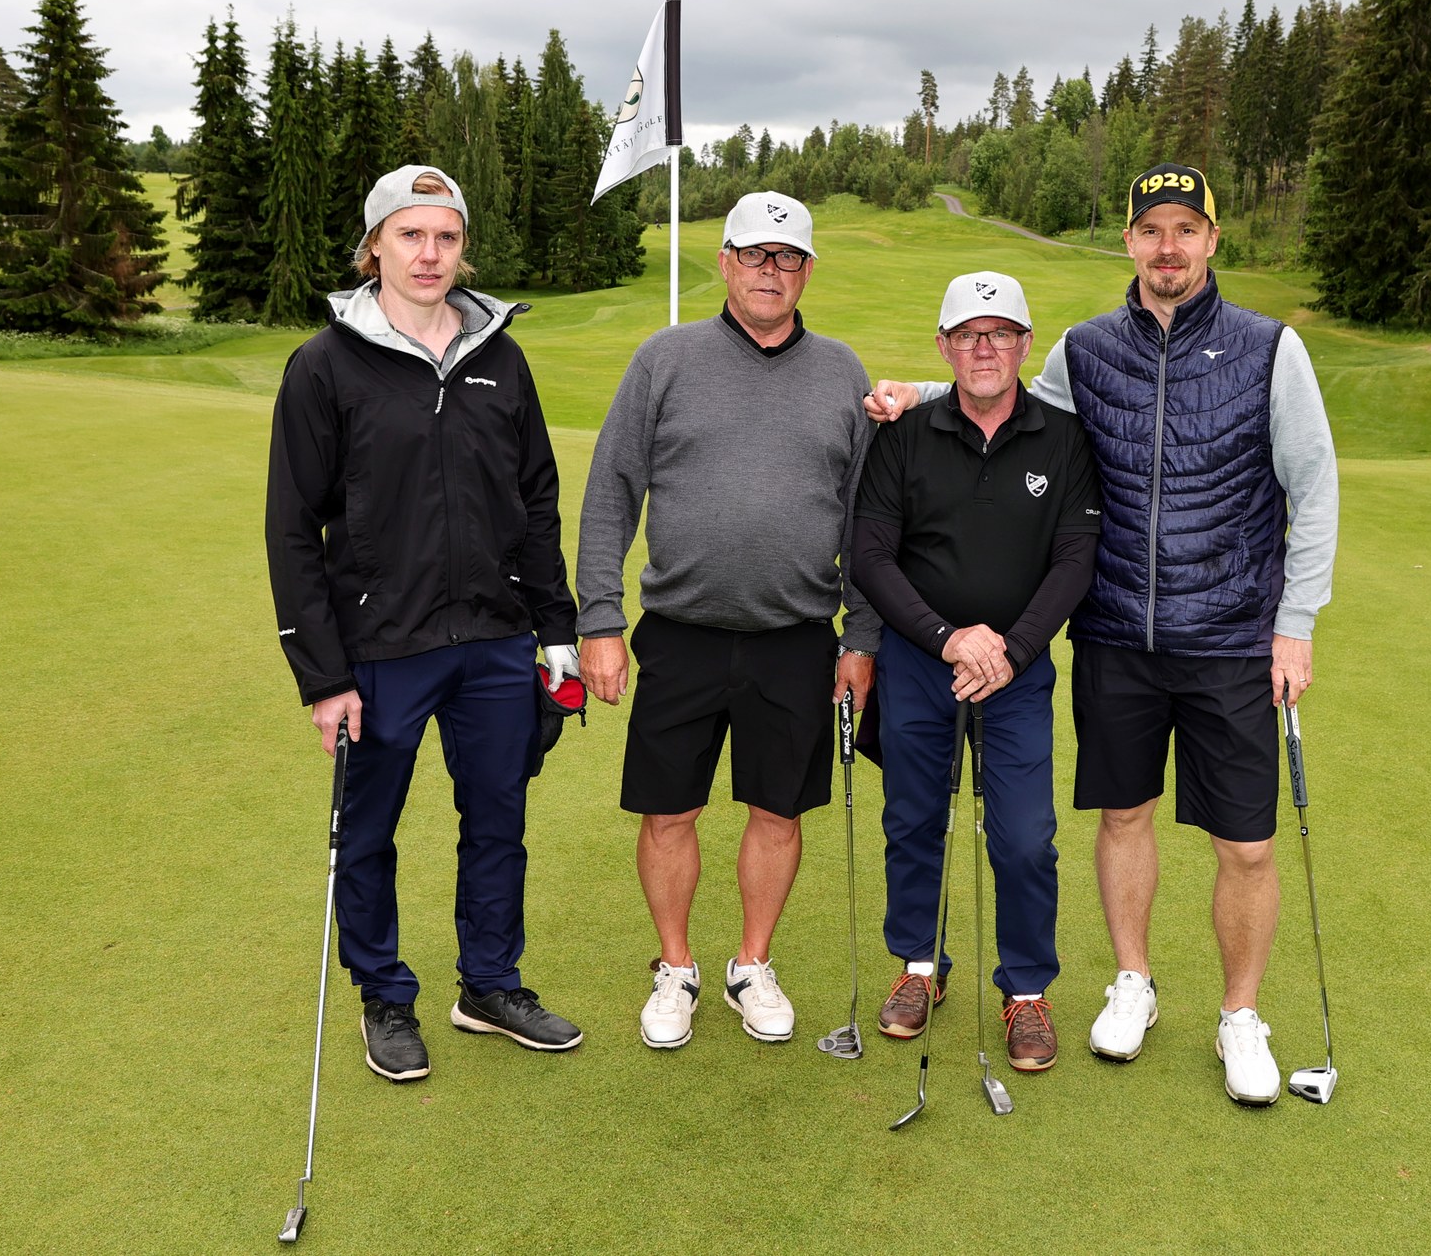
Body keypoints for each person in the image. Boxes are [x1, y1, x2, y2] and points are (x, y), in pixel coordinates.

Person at [866, 163, 1338, 1104]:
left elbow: (1314, 484)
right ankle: (1133, 982)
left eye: (1186, 229)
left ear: (1212, 240)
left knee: (1246, 844)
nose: (1169, 247)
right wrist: (914, 392)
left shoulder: (1270, 347)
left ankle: (1241, 1014)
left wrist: (1295, 625)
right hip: (1118, 632)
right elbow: (1000, 395)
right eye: (1152, 229)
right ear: (1128, 241)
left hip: (1231, 635)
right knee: (1124, 817)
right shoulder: (1086, 350)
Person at [266, 164, 586, 1083]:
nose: (430, 253)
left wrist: (555, 630)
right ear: (375, 247)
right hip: (380, 647)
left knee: (498, 821)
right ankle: (384, 995)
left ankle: (489, 984)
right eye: (410, 234)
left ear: (463, 247)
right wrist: (323, 676)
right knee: (370, 832)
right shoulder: (325, 364)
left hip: (494, 638)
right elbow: (291, 528)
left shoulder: (501, 357)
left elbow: (536, 502)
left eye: (446, 236)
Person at [576, 191, 879, 1050]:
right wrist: (599, 619)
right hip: (682, 631)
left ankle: (752, 963)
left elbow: (868, 523)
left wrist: (861, 637)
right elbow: (610, 492)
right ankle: (676, 967)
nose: (770, 271)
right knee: (669, 810)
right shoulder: (665, 359)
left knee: (777, 811)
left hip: (796, 637)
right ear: (726, 262)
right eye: (754, 254)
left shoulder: (843, 372)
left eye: (787, 258)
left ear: (807, 271)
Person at [851, 271, 1101, 1073]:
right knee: (913, 821)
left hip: (1016, 672)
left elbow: (1075, 558)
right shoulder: (904, 434)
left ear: (1026, 345)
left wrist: (1011, 650)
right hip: (920, 662)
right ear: (943, 346)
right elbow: (870, 553)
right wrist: (947, 637)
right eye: (966, 334)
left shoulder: (1064, 438)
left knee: (1024, 837)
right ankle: (919, 965)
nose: (983, 348)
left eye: (999, 333)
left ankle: (1026, 989)